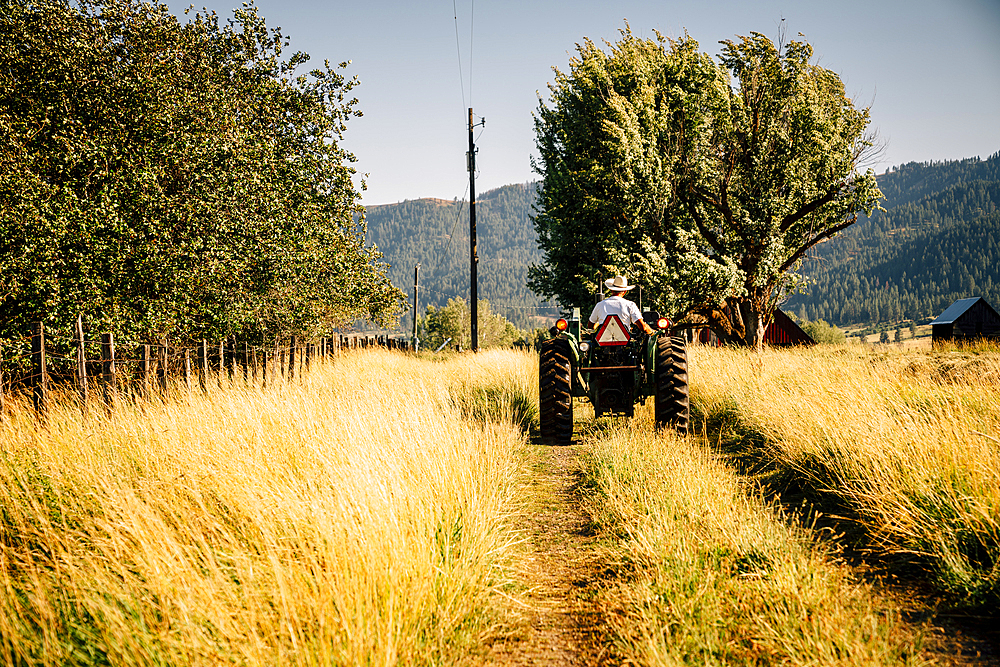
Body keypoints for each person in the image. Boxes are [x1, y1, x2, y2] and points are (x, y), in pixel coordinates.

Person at [588, 276, 655, 335]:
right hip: (625, 344)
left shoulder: (600, 305)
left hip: (602, 343)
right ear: (625, 291)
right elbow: (642, 327)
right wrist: (652, 332)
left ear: (611, 290)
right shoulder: (630, 305)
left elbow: (591, 326)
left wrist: (601, 325)